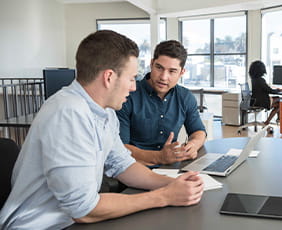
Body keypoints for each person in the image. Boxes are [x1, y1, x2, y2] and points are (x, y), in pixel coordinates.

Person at [0, 30, 204, 229]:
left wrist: (173, 183)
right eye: (132, 78)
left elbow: (122, 164)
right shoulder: (68, 113)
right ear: (109, 77)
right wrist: (164, 196)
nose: (134, 87)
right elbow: (83, 210)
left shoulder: (104, 113)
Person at [116, 40, 206, 166]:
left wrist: (193, 145)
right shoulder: (127, 96)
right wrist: (159, 157)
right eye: (159, 67)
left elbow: (199, 131)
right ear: (152, 63)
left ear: (181, 73)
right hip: (134, 168)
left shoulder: (185, 97)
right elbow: (120, 148)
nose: (163, 77)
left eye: (172, 71)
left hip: (171, 167)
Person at [249, 60, 282, 126]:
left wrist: (275, 89)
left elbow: (265, 89)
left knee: (278, 103)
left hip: (255, 102)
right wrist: (278, 90)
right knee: (280, 102)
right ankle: (273, 120)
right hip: (262, 102)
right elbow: (269, 90)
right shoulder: (261, 80)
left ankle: (275, 120)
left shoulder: (253, 79)